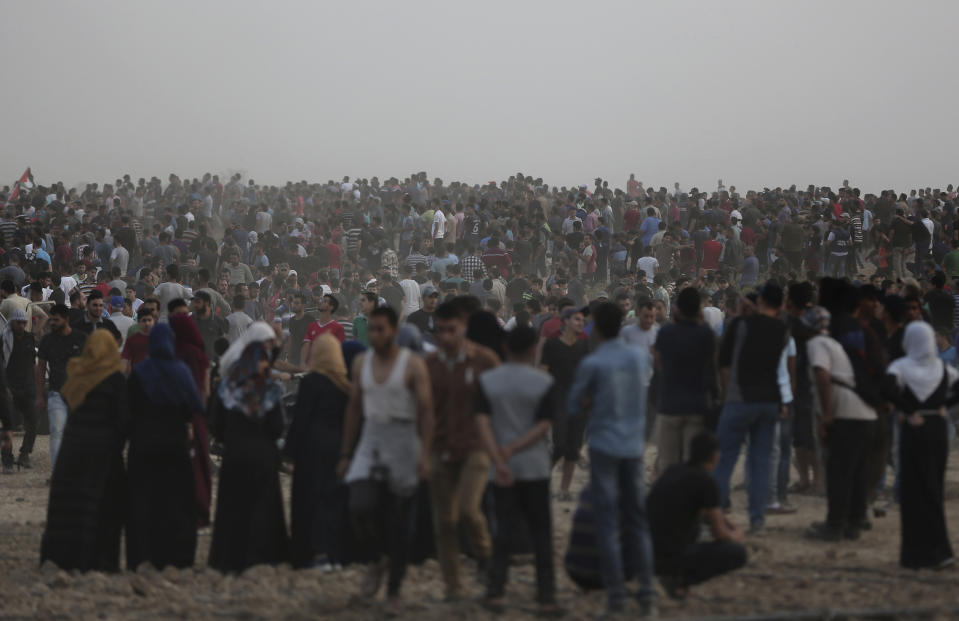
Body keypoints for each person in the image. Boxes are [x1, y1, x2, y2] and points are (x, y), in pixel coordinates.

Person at [337, 306, 434, 615]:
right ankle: (376, 557)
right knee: (359, 506)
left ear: (393, 330)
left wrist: (425, 452)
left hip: (404, 439)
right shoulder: (362, 363)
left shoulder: (413, 365)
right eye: (372, 329)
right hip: (372, 438)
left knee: (399, 520)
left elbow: (426, 411)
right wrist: (345, 453)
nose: (375, 334)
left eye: (380, 329)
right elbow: (354, 408)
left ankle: (393, 590)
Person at [566, 302, 655, 616]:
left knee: (606, 522)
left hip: (604, 445)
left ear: (598, 329)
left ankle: (616, 595)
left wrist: (592, 402)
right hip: (633, 445)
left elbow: (575, 404)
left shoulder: (594, 362)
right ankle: (646, 591)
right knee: (637, 519)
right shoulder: (639, 356)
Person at [475, 325, 561, 616]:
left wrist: (499, 457)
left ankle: (495, 592)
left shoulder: (488, 381)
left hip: (500, 469)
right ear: (532, 349)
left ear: (506, 348)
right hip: (534, 468)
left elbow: (482, 423)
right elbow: (545, 424)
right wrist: (517, 447)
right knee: (541, 534)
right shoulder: (543, 382)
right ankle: (546, 596)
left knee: (502, 531)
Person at [424, 300, 499, 600]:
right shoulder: (429, 365)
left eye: (450, 330)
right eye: (440, 331)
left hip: (475, 446)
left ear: (463, 328)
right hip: (440, 446)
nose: (445, 337)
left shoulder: (484, 360)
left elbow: (498, 402)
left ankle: (485, 556)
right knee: (444, 521)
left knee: (469, 511)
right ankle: (453, 587)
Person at [40, 330, 127, 572]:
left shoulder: (77, 375)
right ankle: (100, 562)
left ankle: (62, 559)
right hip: (104, 453)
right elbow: (123, 420)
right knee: (103, 507)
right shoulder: (115, 379)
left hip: (73, 450)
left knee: (70, 505)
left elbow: (70, 405)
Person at [208, 340, 289, 572]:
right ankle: (263, 556)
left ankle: (230, 558)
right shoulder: (270, 390)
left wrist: (231, 439)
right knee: (263, 508)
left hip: (234, 456)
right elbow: (277, 426)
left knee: (233, 508)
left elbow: (215, 424)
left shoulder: (226, 389)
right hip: (263, 458)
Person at [714, 283, 789, 533]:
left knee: (725, 459)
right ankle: (757, 519)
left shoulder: (739, 325)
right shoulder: (782, 330)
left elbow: (723, 365)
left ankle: (716, 516)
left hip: (739, 398)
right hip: (770, 400)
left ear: (760, 301)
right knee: (760, 462)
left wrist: (726, 397)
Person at [126, 324, 202, 569]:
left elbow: (129, 408)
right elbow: (196, 405)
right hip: (175, 444)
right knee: (176, 500)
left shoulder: (140, 372)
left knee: (142, 501)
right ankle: (177, 556)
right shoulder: (180, 371)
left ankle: (141, 556)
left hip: (143, 444)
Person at [801, 306, 878, 541]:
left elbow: (823, 377)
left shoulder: (818, 344)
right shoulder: (836, 343)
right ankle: (856, 520)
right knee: (857, 472)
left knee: (838, 472)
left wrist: (826, 415)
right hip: (865, 414)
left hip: (845, 415)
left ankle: (834, 525)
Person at [883, 321, 956, 569]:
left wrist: (908, 410)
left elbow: (887, 390)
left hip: (912, 430)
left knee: (912, 489)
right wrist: (944, 406)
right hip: (937, 429)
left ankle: (914, 555)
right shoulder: (943, 369)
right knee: (933, 487)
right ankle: (940, 551)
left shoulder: (901, 367)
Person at [647, 431, 747, 598]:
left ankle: (675, 578)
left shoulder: (673, 471)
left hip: (647, 553)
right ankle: (681, 580)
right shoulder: (706, 482)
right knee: (737, 553)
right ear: (715, 456)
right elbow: (720, 534)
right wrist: (736, 535)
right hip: (673, 557)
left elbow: (705, 513)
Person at [285, 335, 352, 570]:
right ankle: (335, 554)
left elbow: (301, 419)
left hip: (311, 449)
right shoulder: (346, 384)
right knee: (334, 501)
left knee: (310, 500)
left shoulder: (311, 382)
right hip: (338, 449)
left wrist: (289, 453)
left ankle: (311, 552)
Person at [654, 288, 717, 470]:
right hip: (696, 406)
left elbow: (658, 364)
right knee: (693, 462)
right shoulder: (705, 334)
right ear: (699, 310)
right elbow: (711, 366)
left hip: (669, 405)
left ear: (677, 310)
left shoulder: (665, 332)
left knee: (668, 462)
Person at [540, 305, 589, 501]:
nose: (581, 323)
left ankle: (564, 489)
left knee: (573, 450)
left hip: (578, 403)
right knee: (559, 446)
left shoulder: (584, 347)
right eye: (577, 319)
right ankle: (544, 480)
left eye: (582, 320)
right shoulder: (552, 345)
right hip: (558, 401)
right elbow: (543, 369)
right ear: (566, 321)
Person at [170, 313, 213, 527]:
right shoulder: (199, 354)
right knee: (199, 463)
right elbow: (205, 389)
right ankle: (201, 509)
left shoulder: (173, 354)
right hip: (196, 415)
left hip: (177, 416)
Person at [36, 304, 87, 471]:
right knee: (57, 432)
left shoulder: (81, 339)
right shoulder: (47, 341)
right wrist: (39, 395)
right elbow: (41, 368)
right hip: (56, 394)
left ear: (66, 319)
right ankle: (58, 473)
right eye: (51, 319)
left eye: (56, 320)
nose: (52, 323)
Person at [2, 309, 37, 470]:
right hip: (9, 387)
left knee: (34, 421)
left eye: (24, 322)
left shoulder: (30, 338)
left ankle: (24, 454)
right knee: (8, 426)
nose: (22, 325)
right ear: (13, 322)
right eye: (19, 322)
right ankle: (7, 458)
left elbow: (33, 363)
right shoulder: (4, 339)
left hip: (28, 386)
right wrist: (5, 387)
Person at [302, 294, 347, 366]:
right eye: (322, 300)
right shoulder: (311, 326)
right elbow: (306, 345)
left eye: (325, 301)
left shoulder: (338, 328)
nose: (321, 302)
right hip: (312, 368)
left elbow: (341, 350)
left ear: (331, 307)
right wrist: (303, 363)